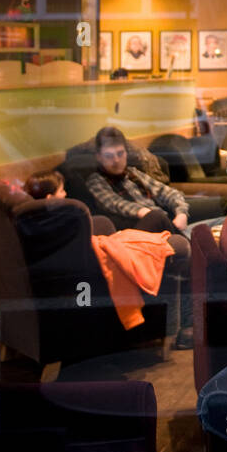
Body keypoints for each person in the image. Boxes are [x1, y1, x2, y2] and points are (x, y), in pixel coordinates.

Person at [86, 126, 194, 345]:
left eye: (120, 154)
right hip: (131, 236)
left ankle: (192, 319)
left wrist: (181, 213)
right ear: (98, 157)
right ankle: (190, 321)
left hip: (163, 226)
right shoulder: (95, 181)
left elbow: (171, 193)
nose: (116, 161)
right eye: (109, 156)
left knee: (209, 230)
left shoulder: (133, 174)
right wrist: (142, 211)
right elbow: (113, 203)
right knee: (161, 219)